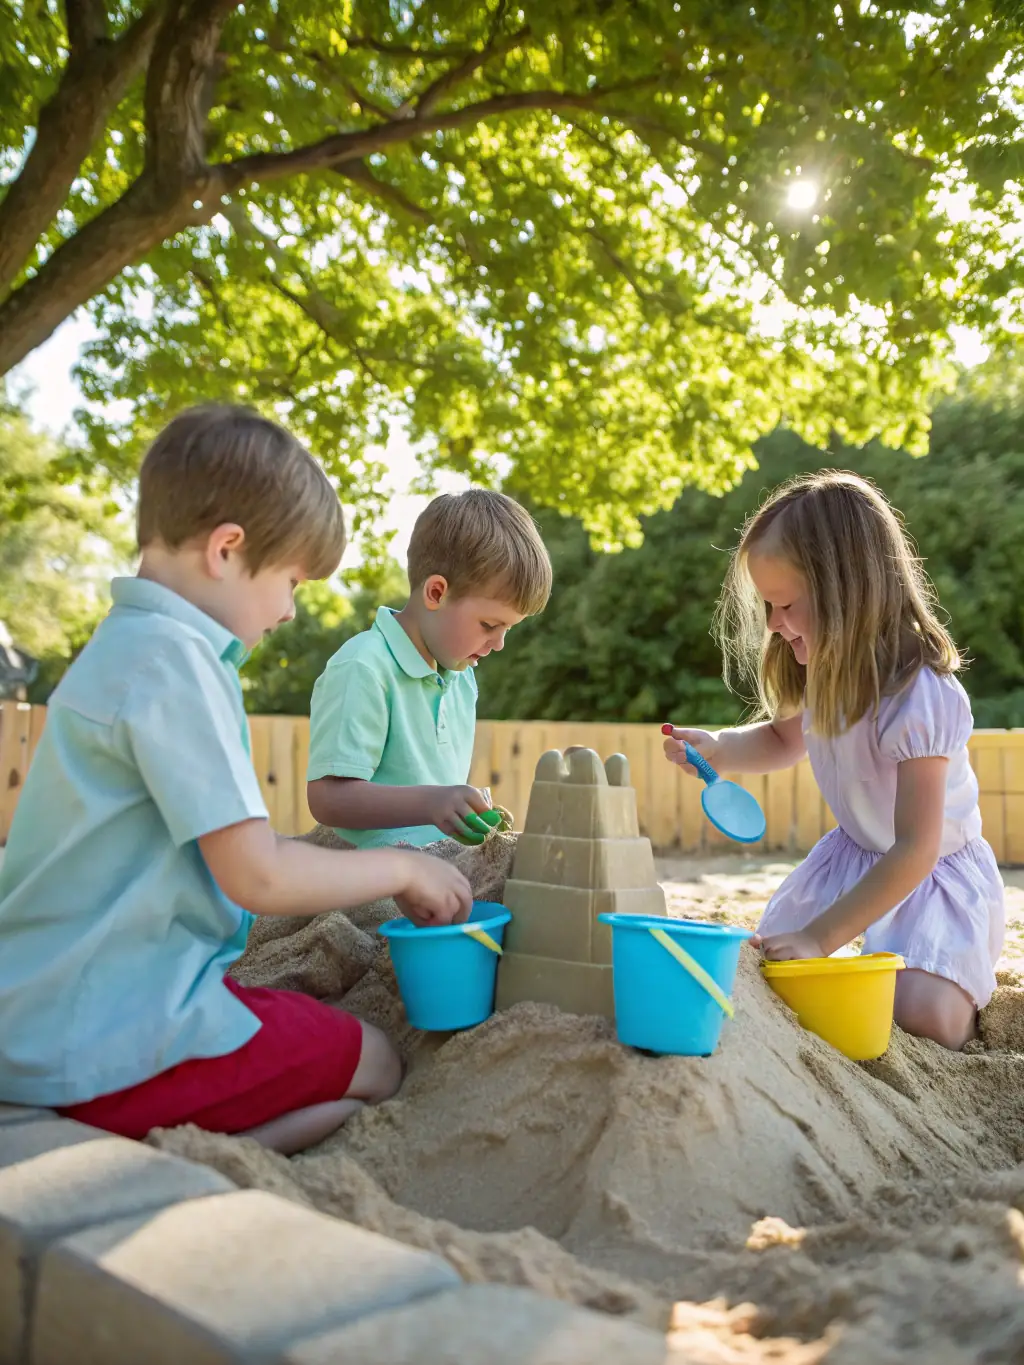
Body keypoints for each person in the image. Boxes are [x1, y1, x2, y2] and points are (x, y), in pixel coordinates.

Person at [0, 405, 472, 1154]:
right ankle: (184, 1153)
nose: (288, 610)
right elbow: (256, 873)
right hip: (106, 1047)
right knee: (379, 1063)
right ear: (226, 548)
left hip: (35, 1016)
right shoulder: (179, 661)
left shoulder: (119, 648)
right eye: (291, 580)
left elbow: (210, 849)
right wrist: (403, 865)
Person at [664, 470, 1005, 1051]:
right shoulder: (828, 673)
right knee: (776, 967)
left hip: (927, 877)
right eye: (769, 607)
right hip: (853, 863)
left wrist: (823, 935)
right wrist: (720, 746)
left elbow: (915, 849)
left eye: (786, 604)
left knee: (925, 1016)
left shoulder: (919, 695)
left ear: (846, 591)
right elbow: (780, 741)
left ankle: (964, 1003)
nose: (774, 623)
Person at [307, 489, 552, 847]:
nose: (499, 644)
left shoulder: (461, 678)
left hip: (436, 863)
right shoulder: (363, 666)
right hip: (369, 874)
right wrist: (431, 803)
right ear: (436, 593)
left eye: (508, 629)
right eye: (489, 625)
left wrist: (461, 812)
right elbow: (328, 799)